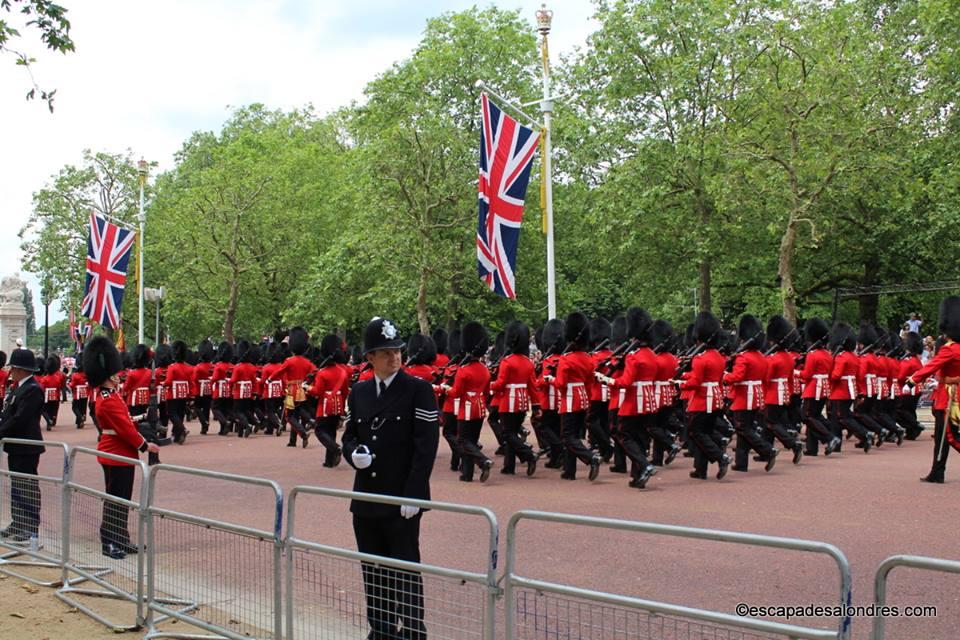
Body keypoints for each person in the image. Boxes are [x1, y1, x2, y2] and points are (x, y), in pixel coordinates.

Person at [342, 316, 439, 640]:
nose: (395, 358)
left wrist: (414, 493)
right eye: (385, 353)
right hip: (367, 497)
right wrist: (353, 454)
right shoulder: (360, 392)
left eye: (397, 351)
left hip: (401, 499)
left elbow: (426, 446)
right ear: (369, 358)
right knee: (373, 570)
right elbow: (350, 436)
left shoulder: (418, 390)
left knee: (406, 571)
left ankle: (413, 632)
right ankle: (381, 632)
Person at [83, 336, 160, 560]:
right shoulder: (107, 398)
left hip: (120, 453)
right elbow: (124, 429)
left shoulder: (109, 395)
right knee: (115, 500)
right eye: (115, 372)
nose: (119, 375)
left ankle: (121, 538)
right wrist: (146, 445)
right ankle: (109, 541)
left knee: (122, 499)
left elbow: (124, 420)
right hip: (116, 453)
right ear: (107, 373)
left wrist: (143, 416)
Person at [907, 296, 960, 483]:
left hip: (949, 397)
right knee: (941, 437)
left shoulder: (949, 349)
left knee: (950, 436)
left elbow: (930, 367)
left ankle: (938, 471)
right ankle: (937, 471)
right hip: (949, 395)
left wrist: (911, 381)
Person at [0, 348, 45, 542]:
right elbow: (8, 414)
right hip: (16, 444)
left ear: (21, 369)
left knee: (27, 485)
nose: (12, 371)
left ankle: (30, 525)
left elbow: (20, 419)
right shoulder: (19, 388)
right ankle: (18, 521)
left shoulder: (32, 389)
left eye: (15, 368)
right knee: (17, 485)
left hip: (26, 445)